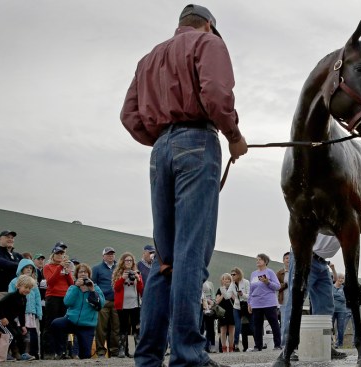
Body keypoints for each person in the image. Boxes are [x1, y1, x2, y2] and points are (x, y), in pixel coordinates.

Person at [121, 4, 248, 367]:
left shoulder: (148, 58)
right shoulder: (209, 44)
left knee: (166, 261)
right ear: (208, 25)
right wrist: (234, 135)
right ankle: (188, 356)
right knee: (191, 256)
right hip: (197, 142)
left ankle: (147, 357)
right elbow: (216, 94)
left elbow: (129, 115)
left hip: (159, 151)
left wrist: (162, 139)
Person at [282, 234, 348, 360]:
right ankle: (288, 347)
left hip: (322, 263)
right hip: (305, 256)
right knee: (295, 302)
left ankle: (325, 345)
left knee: (326, 306)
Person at [51, 264, 105, 359]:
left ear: (89, 274)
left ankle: (77, 353)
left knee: (85, 356)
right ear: (77, 274)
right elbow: (67, 302)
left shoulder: (95, 288)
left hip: (87, 325)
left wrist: (92, 290)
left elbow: (100, 305)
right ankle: (61, 352)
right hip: (72, 321)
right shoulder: (73, 287)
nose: (83, 274)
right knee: (56, 324)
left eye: (85, 272)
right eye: (81, 272)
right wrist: (76, 287)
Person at [42, 244, 74, 359]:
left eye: (62, 253)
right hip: (52, 297)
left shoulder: (65, 267)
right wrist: (59, 267)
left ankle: (62, 352)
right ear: (53, 255)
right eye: (58, 253)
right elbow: (50, 282)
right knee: (50, 324)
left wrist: (67, 271)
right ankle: (49, 352)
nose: (60, 255)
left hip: (64, 298)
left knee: (63, 325)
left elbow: (71, 283)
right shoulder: (48, 267)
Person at [0, 274, 38, 361]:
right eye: (25, 287)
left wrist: (23, 325)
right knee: (10, 335)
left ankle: (23, 354)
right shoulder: (11, 296)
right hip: (1, 319)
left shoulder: (24, 299)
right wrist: (3, 317)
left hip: (10, 320)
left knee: (19, 335)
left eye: (29, 288)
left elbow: (22, 313)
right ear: (18, 286)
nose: (27, 290)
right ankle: (4, 354)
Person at [9, 259, 43, 359]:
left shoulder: (34, 283)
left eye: (31, 268)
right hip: (19, 313)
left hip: (31, 313)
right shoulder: (14, 281)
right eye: (26, 267)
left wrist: (39, 312)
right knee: (20, 333)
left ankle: (33, 353)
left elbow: (38, 298)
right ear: (21, 269)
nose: (29, 270)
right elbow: (11, 297)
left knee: (32, 334)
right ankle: (19, 353)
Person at [112, 252, 144, 358]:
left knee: (136, 327)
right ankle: (122, 350)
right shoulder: (118, 273)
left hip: (135, 304)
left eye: (131, 260)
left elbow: (141, 290)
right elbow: (116, 288)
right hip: (123, 305)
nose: (129, 262)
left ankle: (137, 350)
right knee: (123, 327)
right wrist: (122, 278)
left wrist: (138, 279)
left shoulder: (137, 273)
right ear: (123, 262)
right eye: (127, 260)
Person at [248, 254, 281, 352]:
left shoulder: (270, 272)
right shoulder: (253, 274)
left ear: (265, 261)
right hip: (256, 303)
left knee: (274, 324)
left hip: (269, 303)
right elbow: (251, 289)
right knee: (257, 325)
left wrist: (268, 282)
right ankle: (258, 346)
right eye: (257, 259)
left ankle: (277, 345)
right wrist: (249, 302)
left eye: (260, 259)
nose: (257, 261)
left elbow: (278, 286)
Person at [91, 246, 119, 358]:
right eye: (108, 254)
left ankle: (115, 351)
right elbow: (93, 284)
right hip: (104, 302)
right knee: (101, 329)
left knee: (116, 328)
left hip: (117, 302)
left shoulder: (118, 268)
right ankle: (101, 351)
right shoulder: (97, 268)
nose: (110, 256)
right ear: (103, 256)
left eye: (112, 254)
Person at [0, 230, 23, 307]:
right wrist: (20, 266)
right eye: (8, 237)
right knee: (1, 317)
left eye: (12, 238)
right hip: (1, 292)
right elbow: (5, 264)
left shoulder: (18, 255)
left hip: (16, 292)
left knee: (14, 318)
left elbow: (27, 267)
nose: (10, 239)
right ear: (0, 239)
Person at [230, 267, 250, 352]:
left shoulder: (246, 282)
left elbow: (249, 295)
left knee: (248, 326)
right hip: (237, 307)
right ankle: (236, 345)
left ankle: (248, 346)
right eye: (231, 275)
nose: (232, 276)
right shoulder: (232, 284)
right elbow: (228, 294)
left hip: (245, 306)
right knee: (237, 326)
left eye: (234, 274)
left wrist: (242, 295)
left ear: (238, 274)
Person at [215, 273, 236, 353]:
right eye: (225, 279)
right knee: (223, 330)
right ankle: (224, 348)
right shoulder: (219, 289)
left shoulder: (233, 288)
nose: (226, 280)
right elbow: (217, 301)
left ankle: (231, 348)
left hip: (232, 311)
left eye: (228, 279)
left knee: (232, 330)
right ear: (222, 280)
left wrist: (231, 293)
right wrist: (224, 293)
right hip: (222, 312)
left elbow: (236, 300)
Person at [332, 273, 350, 348]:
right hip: (332, 310)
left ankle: (340, 344)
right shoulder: (331, 287)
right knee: (330, 327)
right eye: (339, 277)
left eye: (342, 278)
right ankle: (331, 344)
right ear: (336, 278)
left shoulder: (344, 288)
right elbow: (330, 295)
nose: (341, 279)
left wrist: (335, 296)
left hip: (342, 310)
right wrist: (339, 296)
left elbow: (344, 299)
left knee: (341, 328)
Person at [276, 252, 290, 347]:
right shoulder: (280, 273)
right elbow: (276, 287)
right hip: (284, 301)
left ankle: (294, 344)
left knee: (294, 323)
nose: (288, 260)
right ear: (283, 260)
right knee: (284, 324)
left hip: (295, 301)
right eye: (286, 258)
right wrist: (285, 285)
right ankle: (283, 344)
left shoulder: (297, 271)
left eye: (291, 258)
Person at [202, 280, 217, 353]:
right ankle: (203, 346)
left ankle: (211, 346)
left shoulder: (210, 283)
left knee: (210, 328)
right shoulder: (196, 282)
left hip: (210, 309)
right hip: (200, 307)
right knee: (201, 328)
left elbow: (213, 298)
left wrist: (211, 304)